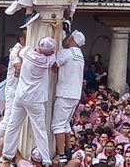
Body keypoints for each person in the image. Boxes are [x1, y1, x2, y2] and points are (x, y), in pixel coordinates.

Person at [0, 37, 57, 166]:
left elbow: (19, 52)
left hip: (20, 96)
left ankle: (7, 154)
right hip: (35, 100)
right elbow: (53, 57)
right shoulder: (47, 60)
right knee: (40, 130)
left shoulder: (27, 53)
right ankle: (46, 160)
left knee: (13, 126)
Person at [0, 30, 26, 154]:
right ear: (22, 39)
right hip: (13, 90)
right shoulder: (15, 51)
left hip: (23, 91)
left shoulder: (24, 51)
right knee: (8, 118)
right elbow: (18, 67)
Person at [52, 30, 86, 164]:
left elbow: (54, 63)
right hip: (74, 94)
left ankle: (61, 154)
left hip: (65, 93)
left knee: (57, 125)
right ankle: (68, 150)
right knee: (65, 124)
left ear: (73, 39)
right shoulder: (79, 54)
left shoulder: (69, 53)